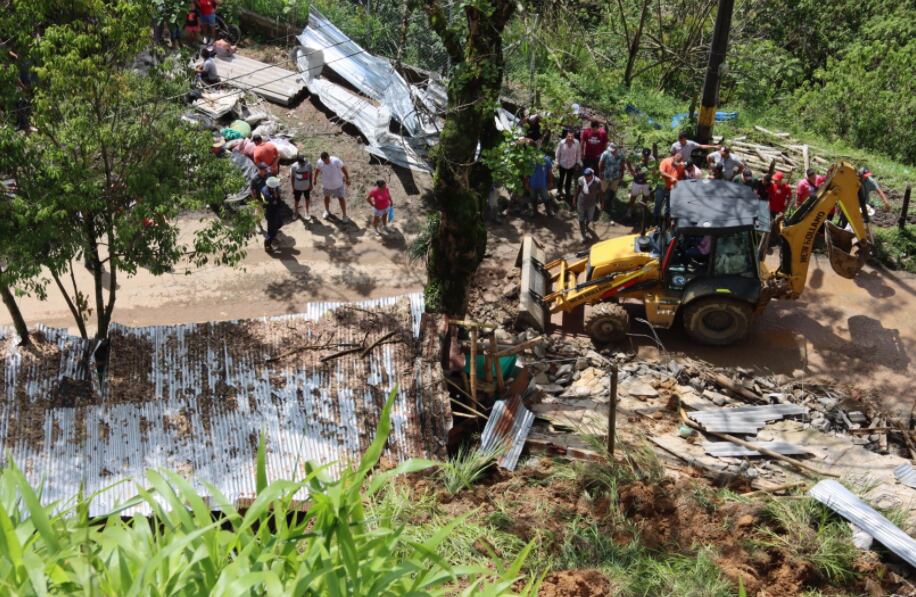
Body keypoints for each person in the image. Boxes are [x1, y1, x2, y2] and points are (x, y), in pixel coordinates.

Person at [315, 152, 350, 222]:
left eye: (327, 160)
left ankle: (344, 215)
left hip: (338, 184)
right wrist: (314, 178)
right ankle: (327, 211)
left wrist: (347, 179)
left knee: (341, 199)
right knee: (326, 198)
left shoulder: (336, 160)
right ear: (322, 159)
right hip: (326, 185)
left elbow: (343, 168)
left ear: (329, 157)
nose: (326, 162)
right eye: (324, 161)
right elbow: (317, 170)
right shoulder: (320, 162)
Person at [598, 143, 628, 213]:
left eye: (614, 150)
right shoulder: (605, 153)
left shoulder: (621, 154)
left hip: (616, 176)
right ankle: (601, 203)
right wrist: (600, 173)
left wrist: (622, 174)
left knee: (613, 190)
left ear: (617, 149)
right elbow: (600, 163)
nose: (612, 151)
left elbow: (622, 164)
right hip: (606, 175)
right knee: (602, 190)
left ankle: (609, 203)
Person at [656, 150, 685, 223]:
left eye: (678, 164)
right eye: (675, 163)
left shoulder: (681, 166)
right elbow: (662, 172)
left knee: (669, 206)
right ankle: (655, 221)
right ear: (673, 158)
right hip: (662, 186)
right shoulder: (665, 161)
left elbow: (681, 176)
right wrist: (671, 177)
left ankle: (666, 222)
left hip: (672, 188)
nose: (676, 165)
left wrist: (679, 182)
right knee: (658, 203)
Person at [574, 168, 601, 241]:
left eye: (588, 176)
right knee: (581, 218)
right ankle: (583, 235)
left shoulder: (597, 181)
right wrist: (574, 199)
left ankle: (586, 225)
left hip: (592, 203)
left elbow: (600, 192)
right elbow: (578, 189)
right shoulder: (581, 179)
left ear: (592, 175)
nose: (586, 177)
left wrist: (600, 202)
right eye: (585, 175)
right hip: (581, 201)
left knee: (590, 218)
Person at [555, 129, 580, 202]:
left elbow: (578, 153)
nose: (570, 138)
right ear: (566, 136)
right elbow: (557, 153)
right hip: (562, 164)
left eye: (572, 136)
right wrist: (557, 162)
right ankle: (559, 191)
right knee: (561, 179)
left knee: (569, 179)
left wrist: (577, 163)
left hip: (571, 165)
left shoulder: (577, 143)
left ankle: (567, 192)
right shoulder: (562, 143)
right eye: (569, 136)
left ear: (574, 136)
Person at [261, 176, 283, 252]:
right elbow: (275, 202)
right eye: (276, 186)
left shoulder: (266, 188)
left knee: (279, 223)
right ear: (272, 187)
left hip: (275, 211)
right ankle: (267, 244)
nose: (278, 186)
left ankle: (273, 235)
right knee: (271, 231)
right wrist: (275, 196)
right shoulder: (268, 195)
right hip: (271, 213)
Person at [289, 155, 313, 220]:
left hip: (306, 186)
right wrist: (293, 187)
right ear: (298, 162)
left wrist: (311, 184)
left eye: (304, 162)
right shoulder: (294, 166)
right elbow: (292, 177)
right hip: (297, 187)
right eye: (302, 162)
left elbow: (310, 175)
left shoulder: (308, 165)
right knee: (296, 200)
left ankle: (307, 211)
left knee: (307, 198)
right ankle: (296, 212)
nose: (303, 163)